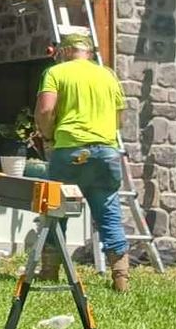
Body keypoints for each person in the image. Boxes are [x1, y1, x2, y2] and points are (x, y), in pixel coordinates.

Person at [33, 31, 131, 292]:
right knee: (109, 211)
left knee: (56, 210)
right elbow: (120, 118)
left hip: (69, 150)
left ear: (65, 51)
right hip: (106, 152)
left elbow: (45, 110)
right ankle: (121, 278)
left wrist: (48, 135)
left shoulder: (56, 73)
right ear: (88, 52)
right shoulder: (108, 75)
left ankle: (50, 271)